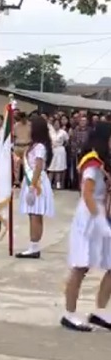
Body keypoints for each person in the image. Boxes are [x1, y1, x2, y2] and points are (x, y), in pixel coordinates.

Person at [62, 122, 111, 332]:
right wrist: (99, 220)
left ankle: (100, 311)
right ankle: (69, 314)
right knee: (81, 266)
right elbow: (88, 194)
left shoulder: (104, 161)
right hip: (89, 216)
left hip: (102, 213)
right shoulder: (91, 162)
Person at [15, 116, 55, 259]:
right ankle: (34, 246)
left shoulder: (40, 146)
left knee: (35, 214)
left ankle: (34, 246)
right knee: (33, 214)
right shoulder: (34, 144)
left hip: (36, 182)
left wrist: (32, 185)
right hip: (31, 179)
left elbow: (38, 165)